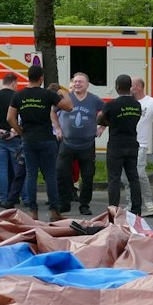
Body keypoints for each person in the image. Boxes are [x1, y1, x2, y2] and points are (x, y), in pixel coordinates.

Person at [8, 64, 66, 218]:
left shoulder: (18, 95)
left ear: (28, 77)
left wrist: (21, 132)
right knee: (50, 175)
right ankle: (54, 211)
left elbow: (10, 118)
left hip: (29, 139)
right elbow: (69, 106)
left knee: (31, 174)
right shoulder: (47, 94)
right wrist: (63, 93)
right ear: (41, 78)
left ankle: (33, 211)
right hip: (46, 139)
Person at [55, 71, 104, 216]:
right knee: (61, 172)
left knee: (88, 177)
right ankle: (64, 203)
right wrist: (57, 128)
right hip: (67, 143)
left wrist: (102, 127)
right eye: (75, 81)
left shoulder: (94, 100)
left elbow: (107, 112)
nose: (77, 84)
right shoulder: (66, 98)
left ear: (87, 85)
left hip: (87, 145)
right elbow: (52, 111)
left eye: (80, 82)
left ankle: (84, 205)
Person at [99, 74, 147, 214]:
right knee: (133, 177)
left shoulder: (112, 104)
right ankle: (137, 209)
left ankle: (113, 209)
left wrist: (109, 122)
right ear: (130, 87)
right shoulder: (137, 105)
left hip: (116, 144)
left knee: (114, 178)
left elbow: (99, 119)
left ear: (117, 87)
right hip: (132, 144)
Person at [0, 71, 23, 209]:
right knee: (19, 169)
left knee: (2, 169)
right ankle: (24, 197)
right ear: (13, 83)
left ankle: (3, 198)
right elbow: (22, 118)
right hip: (15, 138)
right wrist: (13, 132)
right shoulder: (18, 97)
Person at [132, 76, 153, 213]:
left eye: (131, 85)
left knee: (140, 173)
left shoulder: (151, 102)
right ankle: (130, 202)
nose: (129, 88)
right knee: (127, 175)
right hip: (127, 145)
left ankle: (148, 200)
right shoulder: (127, 101)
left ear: (139, 87)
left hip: (141, 144)